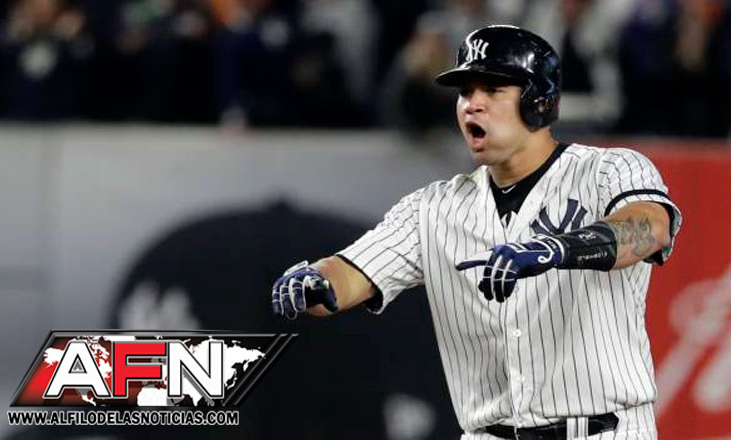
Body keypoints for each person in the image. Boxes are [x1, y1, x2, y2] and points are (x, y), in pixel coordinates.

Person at [271, 25, 682, 440]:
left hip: (603, 431)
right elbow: (351, 273)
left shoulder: (609, 169)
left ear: (538, 100)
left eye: (492, 90)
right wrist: (315, 281)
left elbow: (651, 228)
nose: (472, 104)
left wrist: (556, 249)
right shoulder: (432, 208)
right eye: (465, 92)